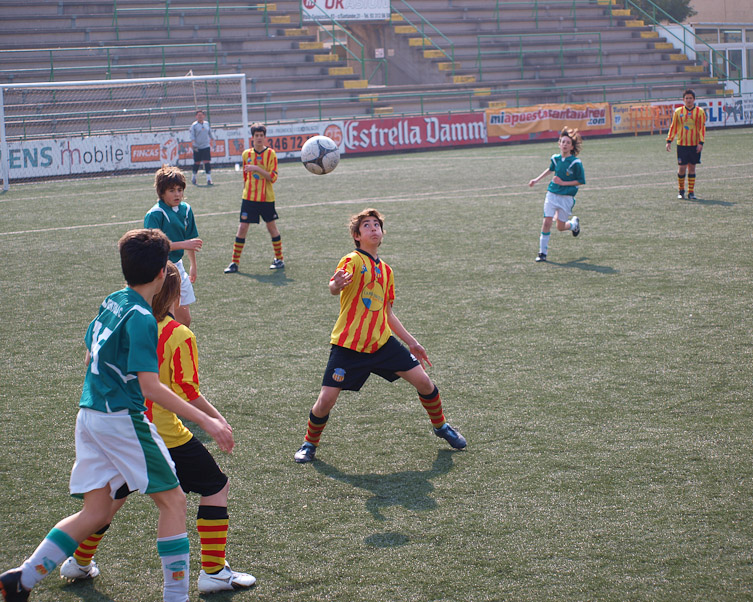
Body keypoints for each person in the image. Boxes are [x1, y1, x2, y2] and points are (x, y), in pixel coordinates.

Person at [0, 229, 234, 602]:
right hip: (122, 418)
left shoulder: (112, 301)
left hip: (89, 413)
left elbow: (90, 353)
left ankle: (22, 578)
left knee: (95, 512)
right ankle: (176, 596)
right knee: (173, 502)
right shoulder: (142, 317)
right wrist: (208, 420)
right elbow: (151, 388)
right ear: (162, 273)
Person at [59, 263, 256, 594]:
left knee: (108, 502)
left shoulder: (126, 319)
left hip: (117, 426)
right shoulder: (179, 334)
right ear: (175, 296)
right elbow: (188, 392)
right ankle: (213, 572)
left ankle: (78, 562)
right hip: (161, 434)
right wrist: (217, 419)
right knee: (215, 487)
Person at [293, 208, 466, 464]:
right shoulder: (352, 260)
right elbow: (333, 286)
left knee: (425, 383)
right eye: (366, 225)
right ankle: (309, 443)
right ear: (356, 236)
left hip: (382, 344)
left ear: (382, 233)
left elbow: (387, 313)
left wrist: (412, 343)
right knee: (326, 400)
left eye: (377, 225)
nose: (373, 228)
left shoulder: (386, 271)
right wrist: (336, 284)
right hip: (348, 346)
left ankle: (441, 427)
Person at [144, 165, 201, 327]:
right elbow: (154, 247)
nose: (177, 194)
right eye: (171, 190)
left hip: (177, 267)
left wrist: (193, 266)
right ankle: (160, 350)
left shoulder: (186, 210)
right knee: (163, 318)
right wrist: (184, 244)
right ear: (161, 192)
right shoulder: (155, 214)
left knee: (185, 320)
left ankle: (177, 349)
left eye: (179, 189)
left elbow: (190, 240)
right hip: (158, 270)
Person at [224, 122, 284, 274]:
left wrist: (257, 169)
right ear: (252, 137)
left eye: (261, 136)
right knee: (242, 228)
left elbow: (273, 177)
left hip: (266, 199)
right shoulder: (246, 154)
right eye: (256, 135)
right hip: (249, 198)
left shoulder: (271, 154)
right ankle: (234, 263)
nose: (259, 138)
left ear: (265, 137)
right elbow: (245, 176)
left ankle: (279, 259)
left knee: (271, 228)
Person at [528, 127, 584, 262]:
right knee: (547, 222)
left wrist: (563, 183)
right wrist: (536, 179)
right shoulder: (555, 158)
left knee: (560, 227)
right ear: (559, 143)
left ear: (572, 147)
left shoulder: (576, 163)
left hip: (567, 198)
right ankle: (542, 253)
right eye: (562, 142)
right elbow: (550, 169)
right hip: (552, 194)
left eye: (568, 143)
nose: (564, 144)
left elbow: (581, 181)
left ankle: (573, 225)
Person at [665, 89, 706, 200]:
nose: (688, 100)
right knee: (682, 168)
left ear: (694, 99)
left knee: (692, 168)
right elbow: (673, 127)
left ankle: (691, 192)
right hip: (682, 144)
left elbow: (702, 128)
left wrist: (701, 142)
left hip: (694, 144)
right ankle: (681, 190)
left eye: (690, 98)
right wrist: (669, 140)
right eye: (686, 98)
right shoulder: (678, 112)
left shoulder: (700, 112)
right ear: (683, 100)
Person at [189, 109, 213, 186]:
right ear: (196, 116)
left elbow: (210, 133)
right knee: (197, 163)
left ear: (204, 116)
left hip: (206, 146)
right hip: (197, 147)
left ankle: (209, 179)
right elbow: (192, 136)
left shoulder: (206, 124)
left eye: (201, 115)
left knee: (207, 162)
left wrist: (213, 140)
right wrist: (194, 145)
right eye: (198, 115)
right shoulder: (194, 125)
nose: (200, 116)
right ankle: (194, 177)